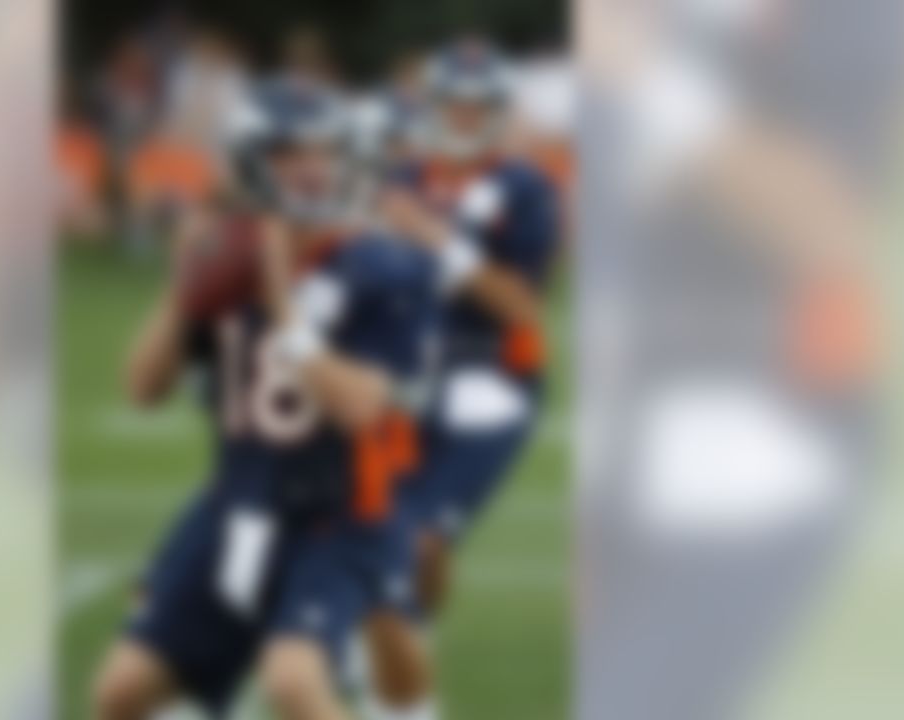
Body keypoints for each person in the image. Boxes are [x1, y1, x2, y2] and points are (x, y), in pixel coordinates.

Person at [92, 75, 440, 720]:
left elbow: (362, 407)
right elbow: (142, 388)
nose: (311, 167)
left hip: (341, 513)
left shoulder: (384, 265)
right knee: (120, 694)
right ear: (251, 160)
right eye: (288, 151)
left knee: (295, 683)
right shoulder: (228, 259)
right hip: (238, 501)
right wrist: (183, 290)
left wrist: (285, 308)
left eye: (325, 150)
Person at [363, 38, 562, 720]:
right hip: (397, 375)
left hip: (491, 379)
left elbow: (521, 305)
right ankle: (404, 662)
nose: (467, 114)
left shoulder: (524, 186)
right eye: (456, 100)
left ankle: (406, 664)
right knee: (378, 536)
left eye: (480, 103)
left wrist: (435, 239)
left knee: (422, 539)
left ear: (498, 109)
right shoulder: (397, 179)